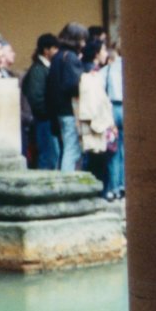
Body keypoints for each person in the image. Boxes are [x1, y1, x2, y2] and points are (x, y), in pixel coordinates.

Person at [46, 22, 89, 171]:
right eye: (82, 39)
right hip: (69, 110)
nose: (83, 43)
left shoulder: (57, 56)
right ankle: (68, 184)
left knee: (66, 149)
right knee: (72, 150)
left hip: (59, 110)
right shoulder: (70, 57)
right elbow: (72, 85)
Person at [77, 38, 117, 192]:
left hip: (99, 121)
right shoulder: (89, 74)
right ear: (96, 54)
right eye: (103, 50)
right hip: (96, 123)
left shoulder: (93, 71)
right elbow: (92, 102)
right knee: (97, 162)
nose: (105, 53)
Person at [22, 33, 61, 170]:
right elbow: (35, 97)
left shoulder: (42, 68)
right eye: (54, 48)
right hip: (44, 120)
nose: (57, 52)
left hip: (46, 118)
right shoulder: (38, 70)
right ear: (46, 50)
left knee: (50, 155)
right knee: (48, 156)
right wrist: (47, 112)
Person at [103, 39, 125, 199]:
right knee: (127, 150)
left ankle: (113, 187)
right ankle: (125, 184)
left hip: (111, 108)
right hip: (127, 108)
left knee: (113, 150)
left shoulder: (109, 68)